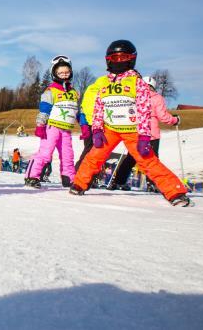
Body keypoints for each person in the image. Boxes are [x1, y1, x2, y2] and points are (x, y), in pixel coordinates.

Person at [70, 40, 191, 207]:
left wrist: (143, 135)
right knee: (94, 156)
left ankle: (175, 192)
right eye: (115, 57)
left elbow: (143, 109)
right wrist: (97, 130)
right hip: (110, 129)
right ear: (108, 60)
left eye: (123, 57)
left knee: (148, 160)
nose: (119, 61)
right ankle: (79, 184)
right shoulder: (104, 83)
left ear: (131, 59)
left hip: (132, 130)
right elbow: (98, 107)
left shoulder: (137, 83)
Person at [107, 76, 181, 190]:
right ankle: (152, 183)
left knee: (131, 158)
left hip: (136, 132)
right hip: (151, 133)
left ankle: (117, 182)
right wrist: (175, 120)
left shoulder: (134, 96)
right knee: (152, 159)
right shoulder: (157, 98)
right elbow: (163, 116)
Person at [24, 55, 85, 188]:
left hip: (66, 130)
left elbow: (77, 110)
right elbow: (44, 109)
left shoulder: (74, 92)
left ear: (71, 72)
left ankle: (68, 177)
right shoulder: (51, 91)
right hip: (51, 128)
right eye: (60, 72)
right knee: (45, 154)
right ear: (55, 73)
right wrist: (40, 125)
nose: (64, 75)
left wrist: (84, 125)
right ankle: (31, 176)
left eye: (66, 72)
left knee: (68, 155)